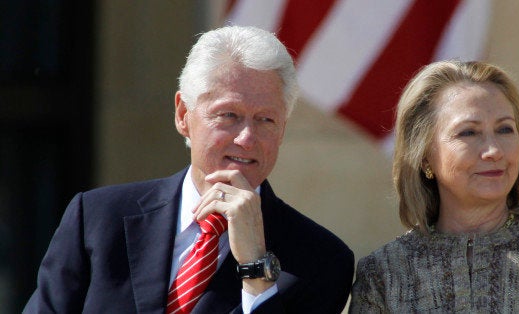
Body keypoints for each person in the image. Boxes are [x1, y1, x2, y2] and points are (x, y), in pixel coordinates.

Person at [24, 25, 354, 313]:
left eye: (266, 120)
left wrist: (255, 268)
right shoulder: (97, 219)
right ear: (184, 114)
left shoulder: (322, 261)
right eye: (228, 115)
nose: (246, 138)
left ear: (282, 130)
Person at [350, 60, 519, 312]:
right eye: (468, 132)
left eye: (505, 130)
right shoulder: (383, 272)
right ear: (424, 156)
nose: (494, 151)